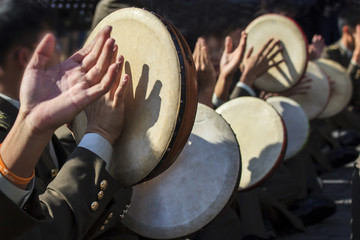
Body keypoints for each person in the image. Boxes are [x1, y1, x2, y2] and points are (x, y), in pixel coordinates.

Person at [0, 1, 136, 239]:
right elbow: (41, 231)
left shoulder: (26, 111)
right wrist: (99, 134)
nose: (62, 54)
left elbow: (53, 166)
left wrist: (74, 128)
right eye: (56, 44)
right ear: (26, 56)